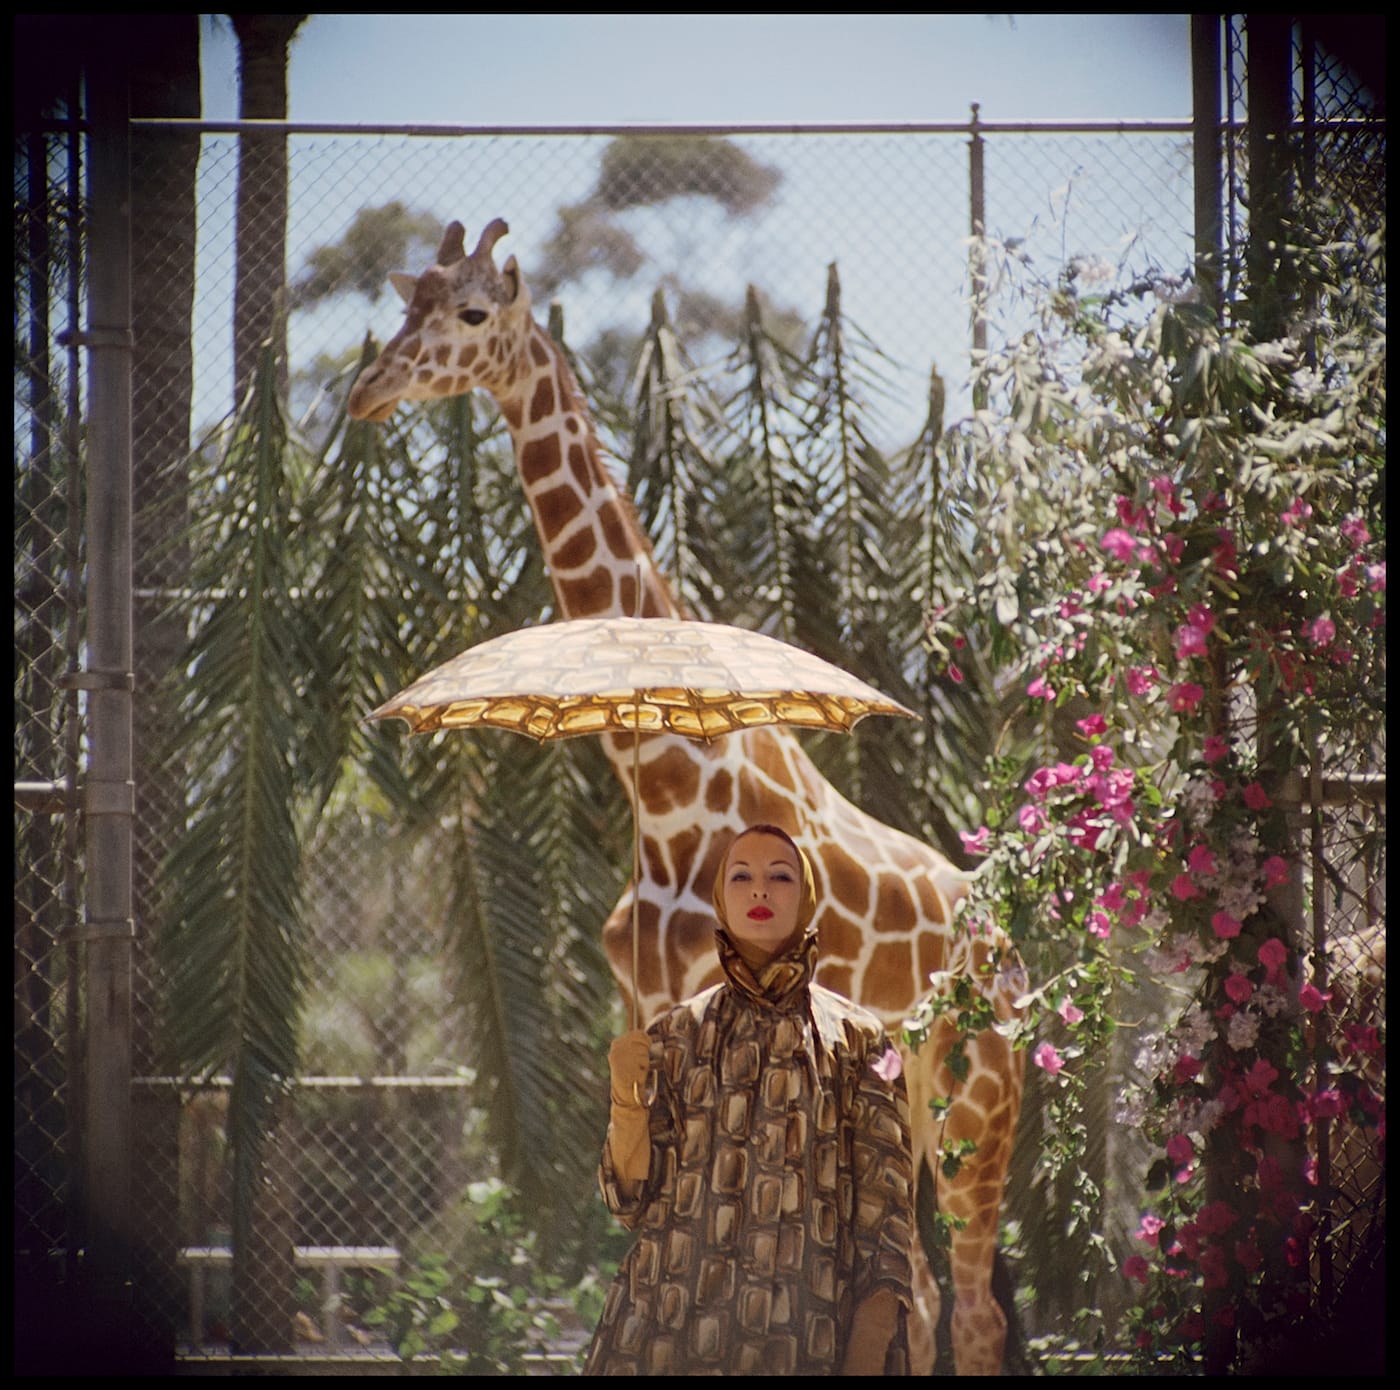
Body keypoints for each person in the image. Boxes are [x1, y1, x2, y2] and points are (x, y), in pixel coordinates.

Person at [582, 823, 914, 1376]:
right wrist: (624, 1097)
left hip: (812, 1338)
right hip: (674, 1337)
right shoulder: (673, 1035)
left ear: (806, 897)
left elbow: (888, 1225)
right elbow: (630, 1201)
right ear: (720, 898)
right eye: (741, 876)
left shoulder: (863, 1041)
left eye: (779, 876)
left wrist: (867, 1350)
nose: (759, 890)